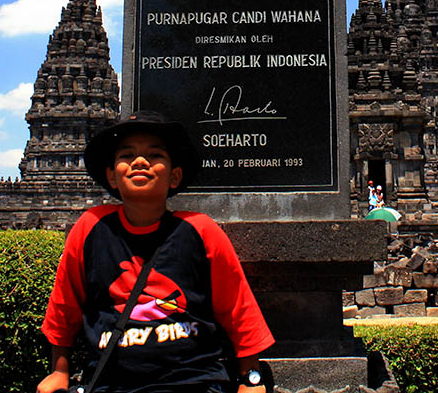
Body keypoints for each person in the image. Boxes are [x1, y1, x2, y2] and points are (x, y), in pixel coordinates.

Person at [38, 111, 274, 393]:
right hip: (111, 383)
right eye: (127, 155)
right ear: (112, 176)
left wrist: (250, 377)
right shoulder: (92, 228)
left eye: (155, 155)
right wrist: (59, 371)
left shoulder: (199, 230)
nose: (140, 161)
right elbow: (64, 308)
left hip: (194, 381)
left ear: (175, 176)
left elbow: (237, 309)